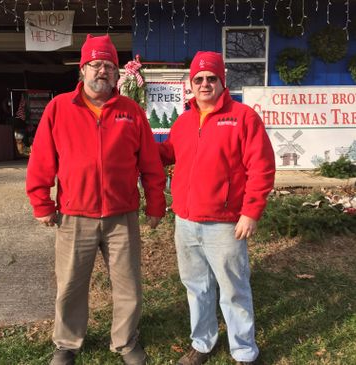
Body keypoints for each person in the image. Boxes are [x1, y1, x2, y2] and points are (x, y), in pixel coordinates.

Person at [26, 34, 166, 365]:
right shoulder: (59, 108)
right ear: (83, 70)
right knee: (71, 285)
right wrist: (41, 202)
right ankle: (67, 343)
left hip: (122, 215)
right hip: (75, 215)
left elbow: (149, 163)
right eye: (95, 64)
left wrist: (156, 204)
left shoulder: (131, 112)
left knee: (128, 284)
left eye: (108, 65)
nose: (101, 71)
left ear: (117, 74)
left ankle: (125, 341)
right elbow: (42, 159)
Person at [159, 51, 275, 365]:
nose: (205, 84)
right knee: (196, 287)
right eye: (198, 79)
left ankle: (244, 351)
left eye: (212, 78)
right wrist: (142, 146)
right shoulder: (183, 121)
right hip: (185, 220)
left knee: (234, 289)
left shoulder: (242, 117)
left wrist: (251, 211)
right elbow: (170, 153)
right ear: (191, 84)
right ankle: (202, 343)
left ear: (222, 81)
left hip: (225, 222)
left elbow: (262, 167)